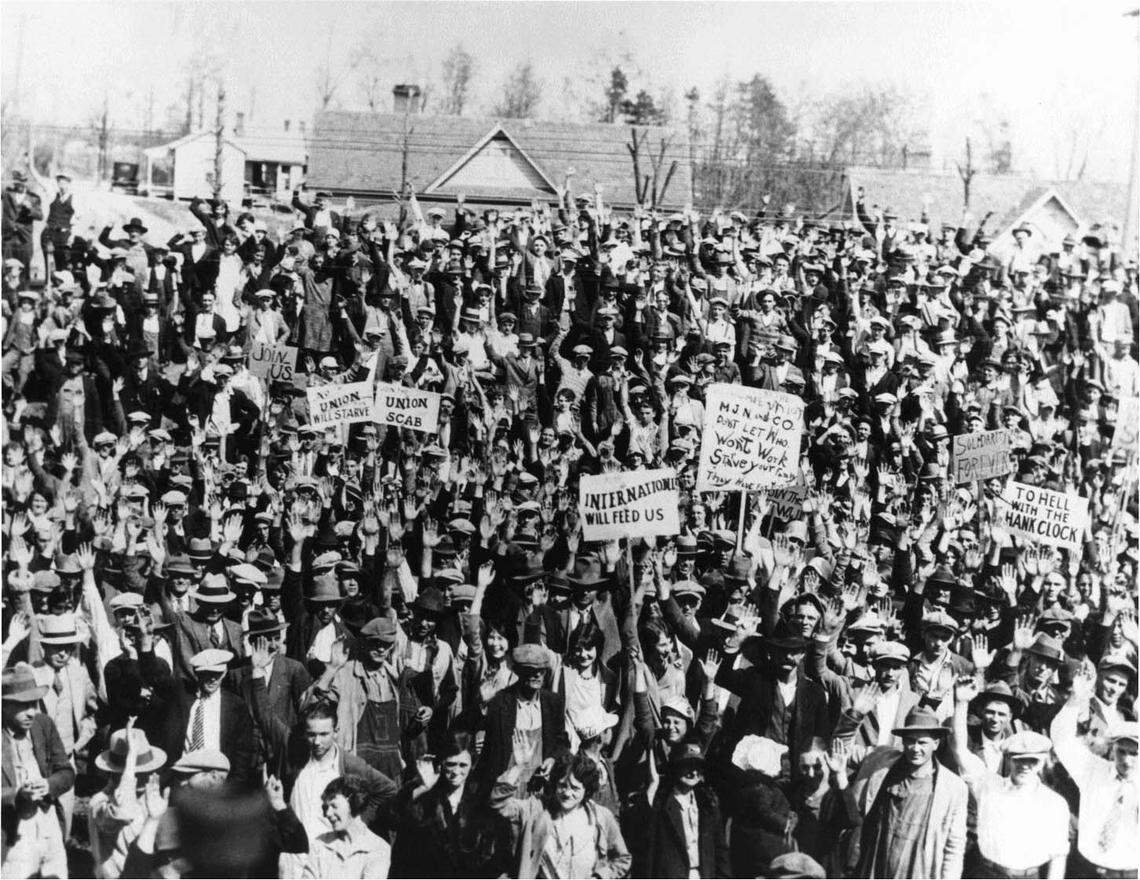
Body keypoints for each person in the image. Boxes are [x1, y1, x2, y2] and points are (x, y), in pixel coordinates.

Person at [491, 728, 632, 879]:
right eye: (562, 785)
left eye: (575, 788)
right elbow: (499, 803)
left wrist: (600, 877)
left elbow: (622, 859)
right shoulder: (536, 808)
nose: (567, 793)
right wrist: (519, 767)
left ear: (587, 790)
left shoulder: (602, 817)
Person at [845, 707, 968, 879]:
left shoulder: (953, 788)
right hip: (876, 866)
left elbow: (954, 846)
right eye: (910, 741)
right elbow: (840, 751)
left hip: (919, 870)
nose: (915, 748)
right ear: (902, 742)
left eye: (922, 742)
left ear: (936, 744)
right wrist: (854, 715)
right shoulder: (882, 762)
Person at [1051, 670, 1139, 879]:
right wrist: (1075, 698)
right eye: (1122, 751)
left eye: (1135, 753)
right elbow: (1061, 739)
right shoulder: (1094, 771)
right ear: (1113, 749)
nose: (1127, 760)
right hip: (1086, 870)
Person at [1, 664, 73, 880]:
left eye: (33, 703)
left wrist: (49, 784)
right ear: (3, 706)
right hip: (12, 832)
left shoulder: (43, 725)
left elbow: (66, 772)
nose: (31, 711)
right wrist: (17, 795)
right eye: (23, 705)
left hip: (47, 822)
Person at [302, 776, 391, 879]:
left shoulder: (378, 849)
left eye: (334, 806)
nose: (327, 814)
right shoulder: (320, 844)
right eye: (326, 808)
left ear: (354, 802)